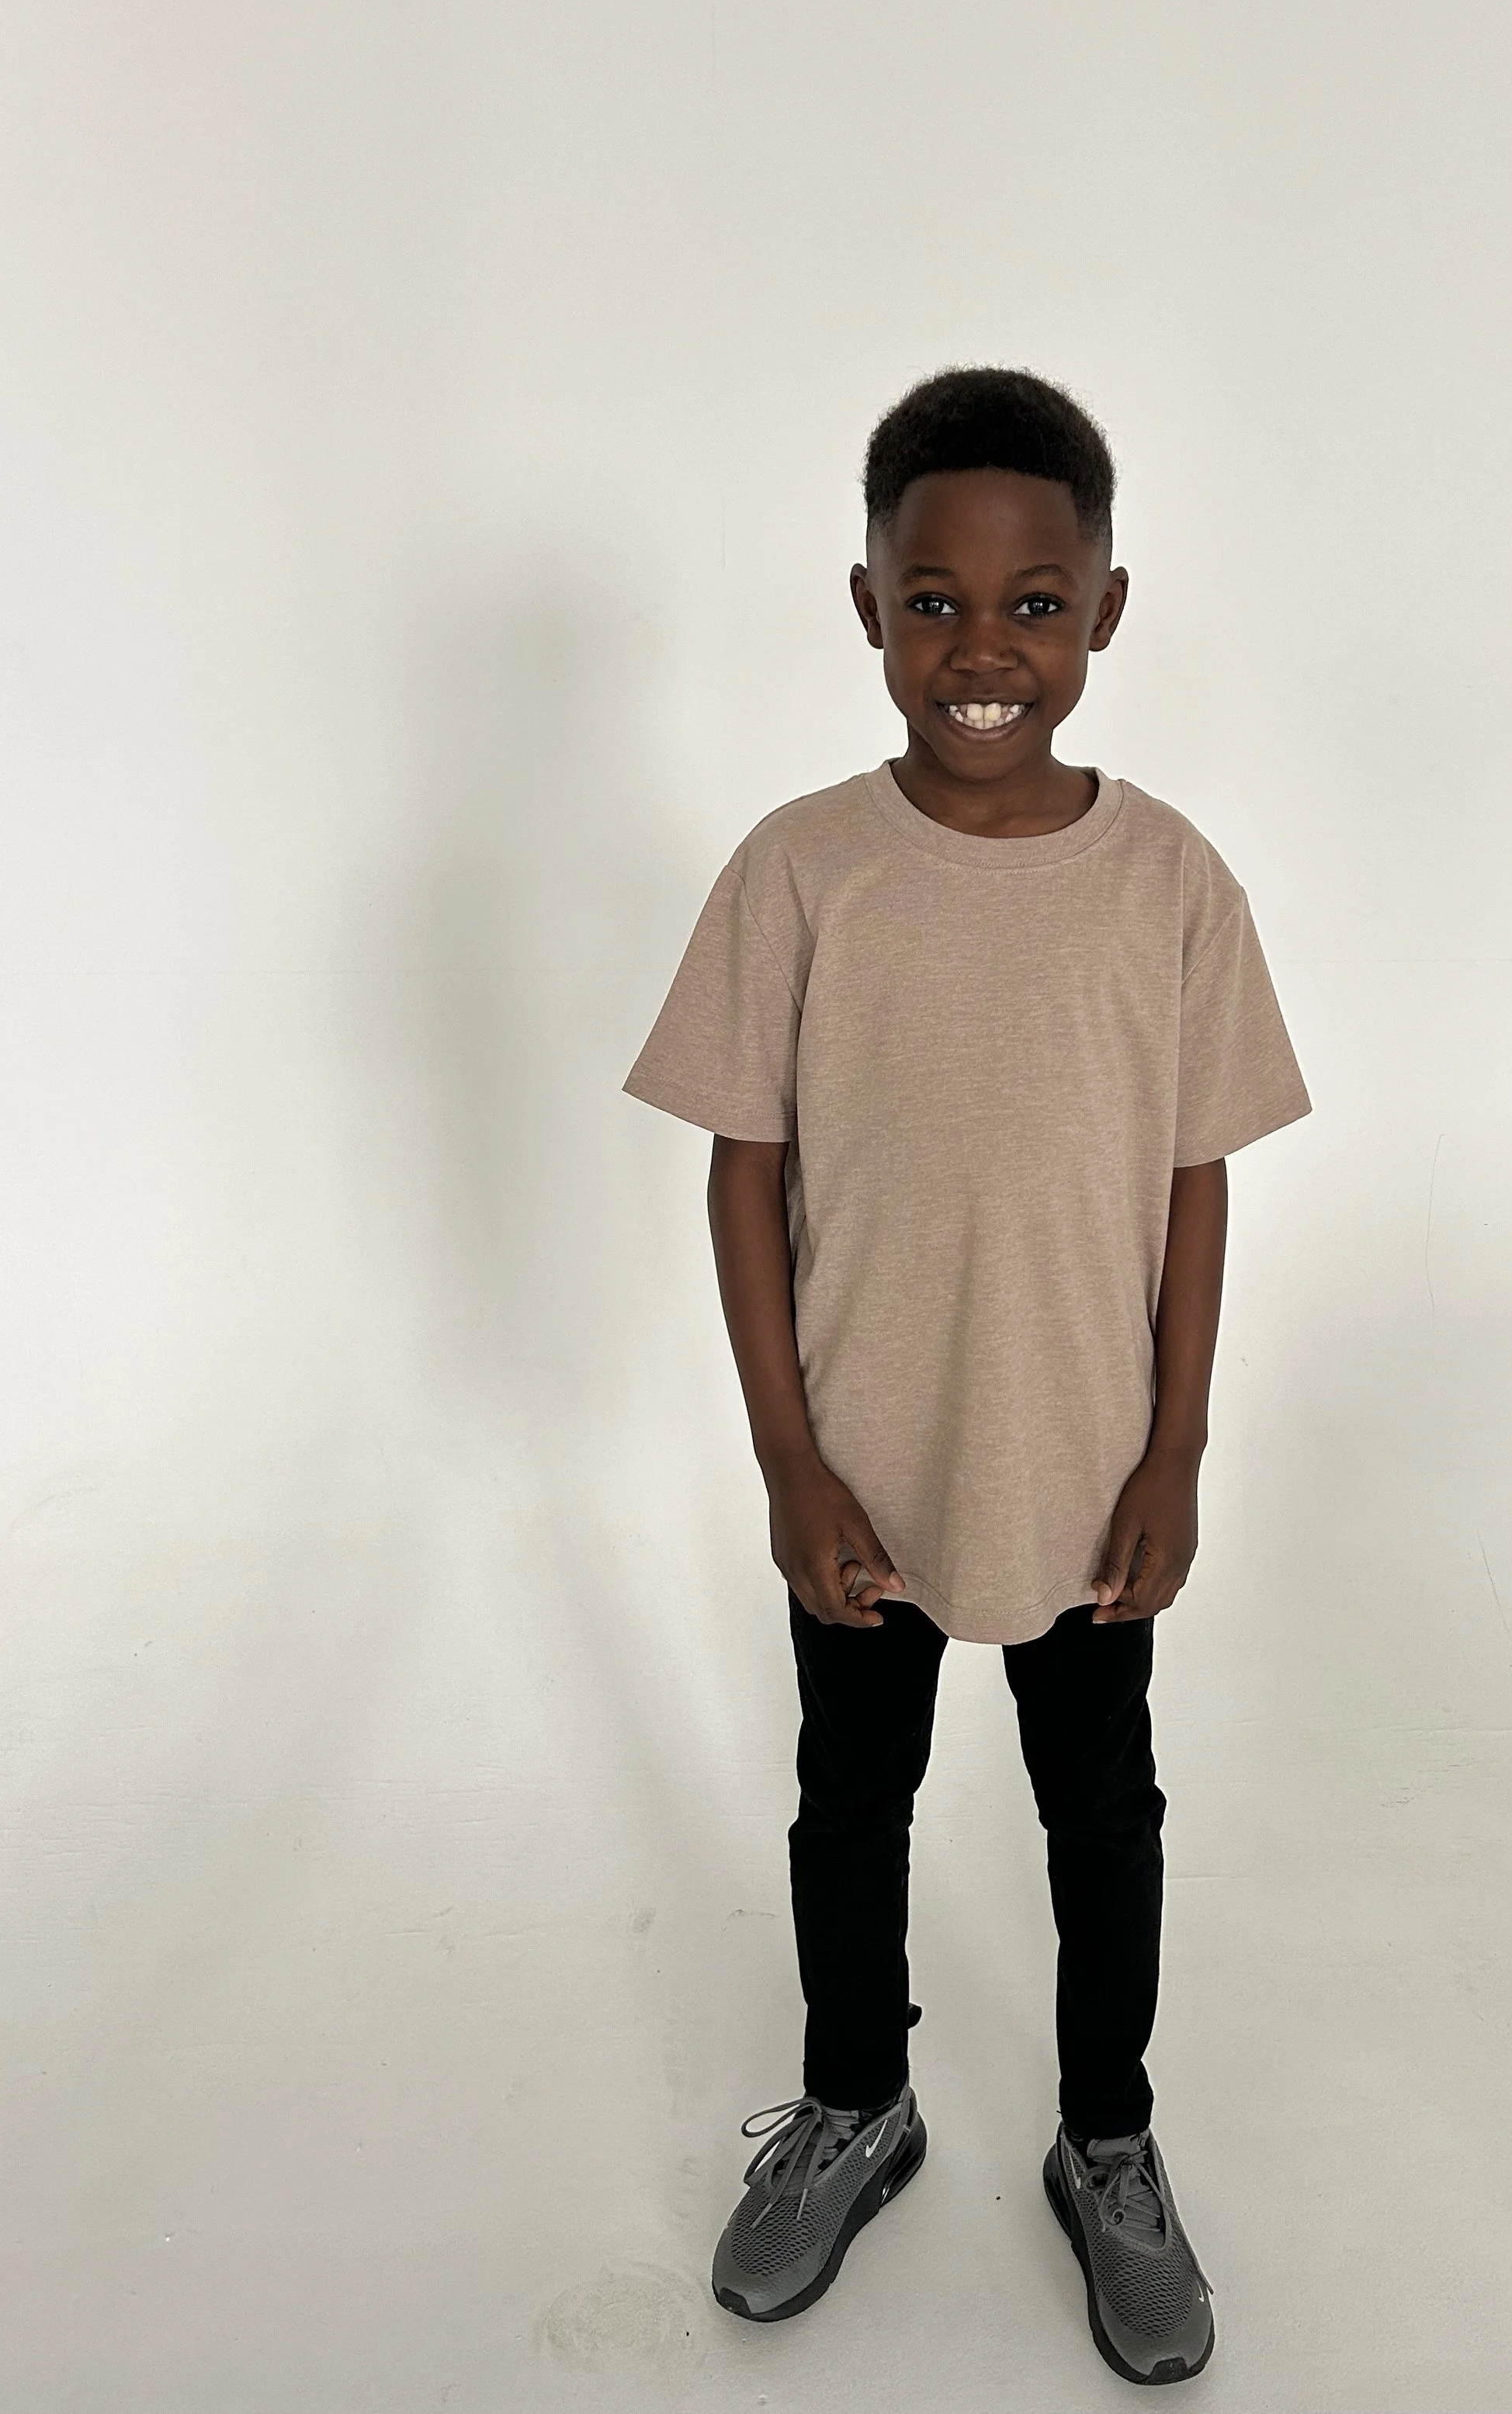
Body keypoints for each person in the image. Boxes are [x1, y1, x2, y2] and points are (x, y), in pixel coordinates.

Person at [620, 365, 1310, 2386]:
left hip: (1085, 1473)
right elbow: (744, 1175)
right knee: (854, 1798)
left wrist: (1171, 1454)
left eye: (1030, 602)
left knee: (1101, 1816)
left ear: (1105, 610)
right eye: (934, 601)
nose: (980, 648)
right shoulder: (800, 868)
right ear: (864, 605)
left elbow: (1194, 1188)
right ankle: (860, 2100)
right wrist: (788, 1463)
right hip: (867, 1468)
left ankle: (1106, 2141)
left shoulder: (1171, 880)